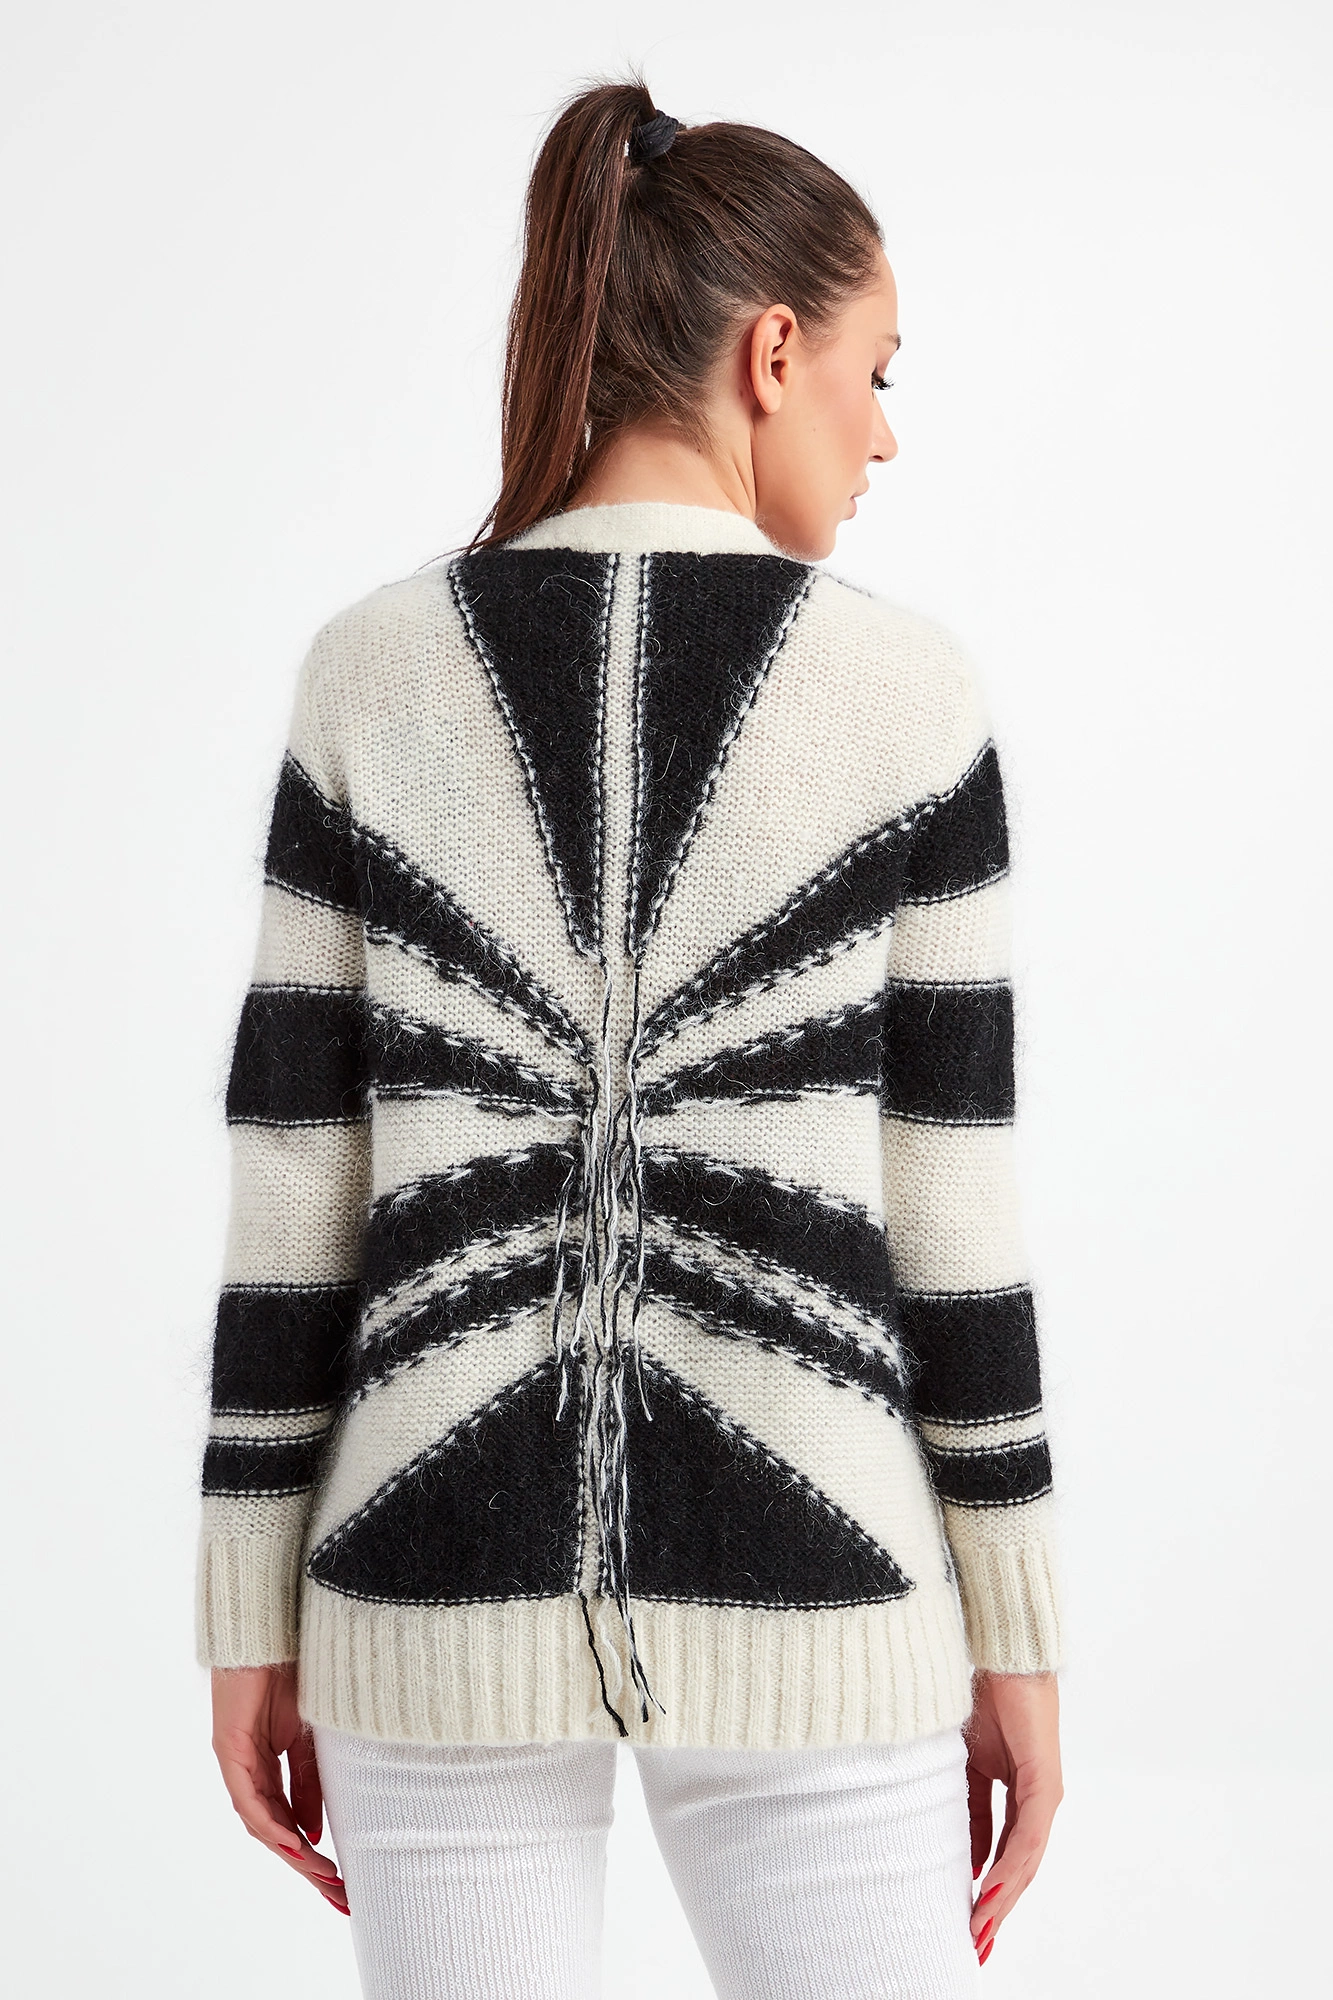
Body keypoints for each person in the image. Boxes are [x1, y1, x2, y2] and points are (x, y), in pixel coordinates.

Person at [197, 76, 1064, 2000]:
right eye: (877, 375)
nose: (886, 434)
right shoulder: (913, 697)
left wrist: (247, 1606)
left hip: (417, 1586)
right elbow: (953, 1223)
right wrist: (1017, 1635)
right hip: (833, 1590)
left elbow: (295, 1194)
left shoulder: (366, 674)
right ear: (775, 354)